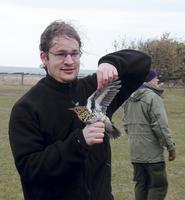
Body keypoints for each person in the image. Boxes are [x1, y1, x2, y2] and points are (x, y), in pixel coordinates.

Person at [9, 19, 151, 200]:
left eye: (74, 53)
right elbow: (29, 169)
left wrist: (110, 62)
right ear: (44, 58)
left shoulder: (95, 87)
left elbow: (142, 63)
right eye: (61, 54)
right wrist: (79, 142)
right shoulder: (26, 108)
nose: (69, 61)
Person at [123, 68, 176, 200]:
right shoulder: (153, 97)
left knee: (141, 184)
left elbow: (126, 125)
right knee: (158, 186)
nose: (157, 79)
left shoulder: (129, 98)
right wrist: (170, 147)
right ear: (148, 80)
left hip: (136, 152)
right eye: (155, 77)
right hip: (152, 154)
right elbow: (160, 126)